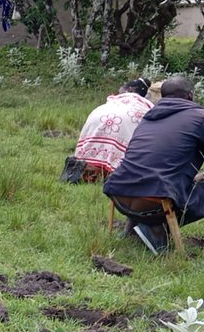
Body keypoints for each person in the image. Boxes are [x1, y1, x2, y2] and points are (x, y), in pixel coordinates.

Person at [103, 77, 204, 254]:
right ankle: (156, 228)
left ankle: (134, 225)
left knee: (152, 175)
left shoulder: (148, 117)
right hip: (155, 203)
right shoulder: (199, 117)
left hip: (118, 195)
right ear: (190, 96)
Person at [66, 79, 153, 183]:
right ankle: (115, 173)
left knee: (93, 149)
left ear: (129, 89)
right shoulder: (145, 108)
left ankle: (81, 167)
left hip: (99, 115)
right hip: (125, 120)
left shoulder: (111, 102)